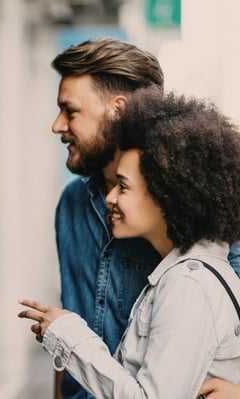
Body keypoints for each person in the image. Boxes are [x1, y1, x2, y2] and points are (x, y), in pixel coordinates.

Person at [47, 37, 240, 399]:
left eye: (70, 111)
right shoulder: (71, 205)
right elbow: (70, 319)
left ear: (118, 109)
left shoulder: (202, 218)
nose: (57, 126)